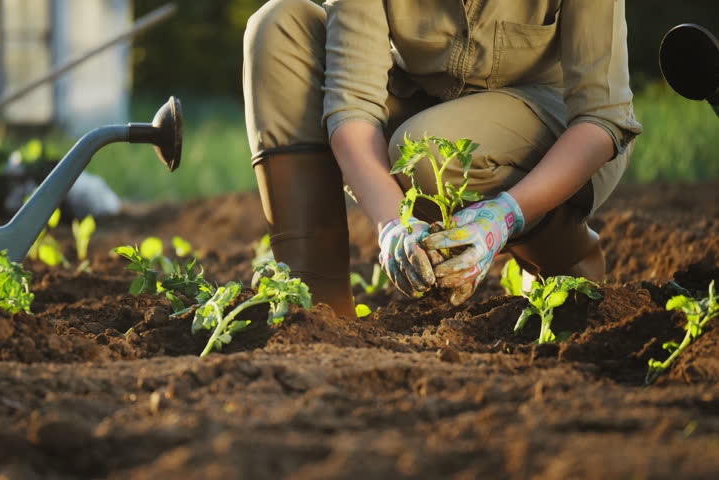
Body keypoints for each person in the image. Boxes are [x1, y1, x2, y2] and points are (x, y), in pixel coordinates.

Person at [243, 0, 642, 317]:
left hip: (557, 130)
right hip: (422, 99)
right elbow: (354, 108)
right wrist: (391, 226)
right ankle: (320, 313)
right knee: (280, 26)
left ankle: (567, 258)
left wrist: (505, 214)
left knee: (425, 149)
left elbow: (601, 117)